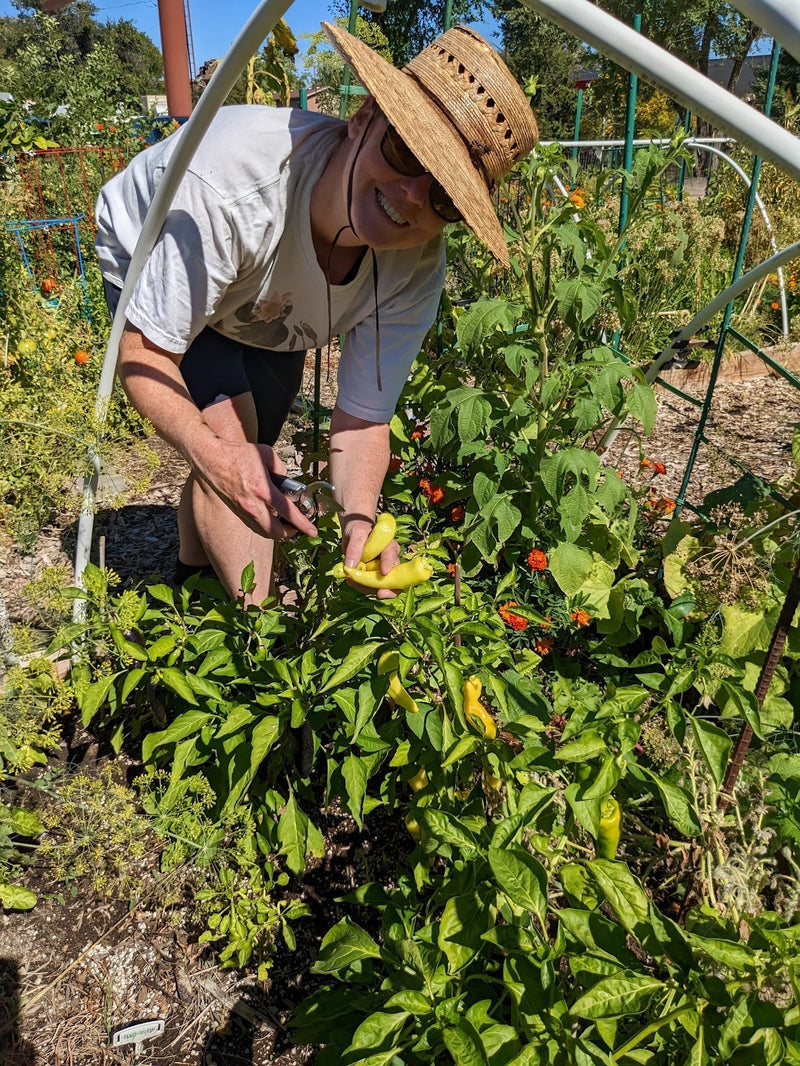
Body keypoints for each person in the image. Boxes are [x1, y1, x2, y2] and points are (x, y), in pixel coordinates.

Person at [94, 21, 538, 603]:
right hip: (158, 245)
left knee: (251, 451)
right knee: (231, 439)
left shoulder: (416, 264)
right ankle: (258, 632)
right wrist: (217, 454)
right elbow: (143, 356)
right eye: (405, 150)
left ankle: (191, 576)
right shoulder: (234, 189)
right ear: (363, 118)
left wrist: (359, 523)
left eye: (443, 196)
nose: (411, 194)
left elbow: (363, 421)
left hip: (262, 291)